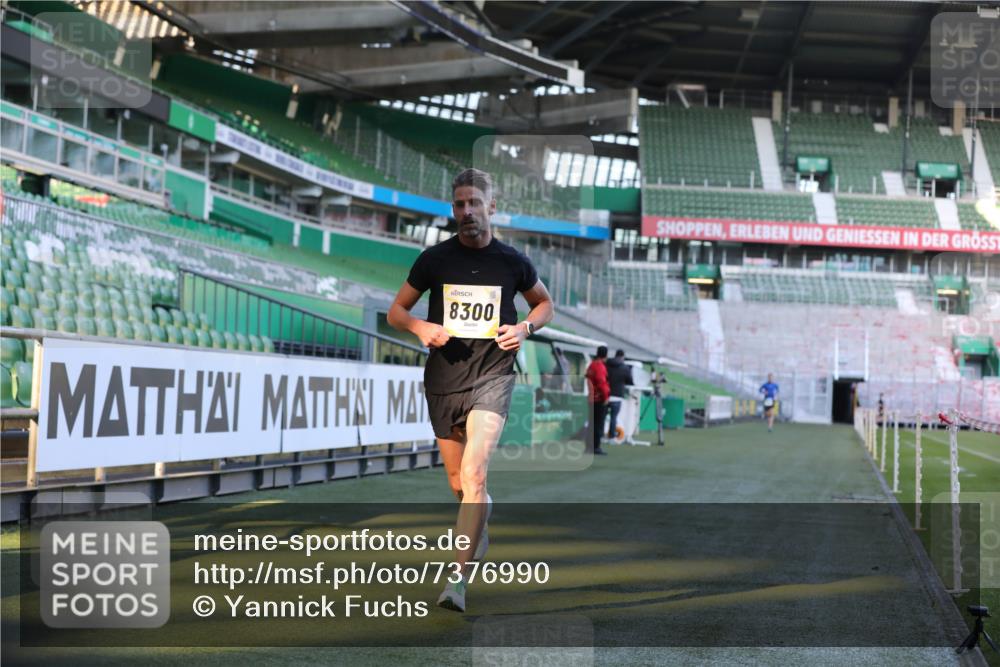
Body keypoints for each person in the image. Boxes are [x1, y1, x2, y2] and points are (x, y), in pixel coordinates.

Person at [387, 168, 553, 613]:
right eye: (459, 204)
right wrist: (420, 326)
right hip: (444, 380)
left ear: (491, 206)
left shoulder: (512, 261)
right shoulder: (434, 260)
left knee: (476, 473)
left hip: (493, 375)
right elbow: (396, 312)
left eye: (474, 203)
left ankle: (456, 581)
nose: (466, 212)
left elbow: (544, 303)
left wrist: (525, 327)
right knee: (459, 483)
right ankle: (479, 512)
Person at [585, 346, 610, 455]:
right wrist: (605, 397)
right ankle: (595, 447)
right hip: (599, 399)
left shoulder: (591, 365)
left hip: (591, 398)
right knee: (598, 424)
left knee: (591, 424)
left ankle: (589, 447)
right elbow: (601, 383)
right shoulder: (600, 366)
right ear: (606, 355)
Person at [605, 349, 634, 443]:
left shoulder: (606, 364)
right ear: (622, 357)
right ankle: (611, 437)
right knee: (614, 417)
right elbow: (630, 381)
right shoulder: (625, 368)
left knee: (601, 417)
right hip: (617, 395)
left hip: (605, 394)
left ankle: (598, 435)